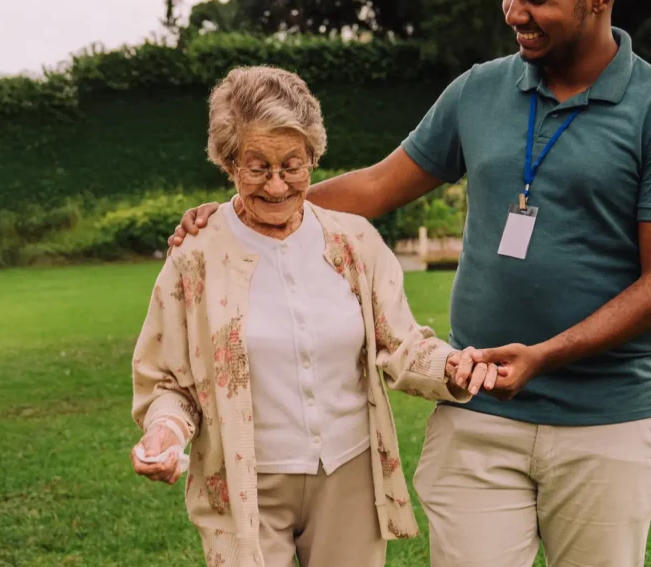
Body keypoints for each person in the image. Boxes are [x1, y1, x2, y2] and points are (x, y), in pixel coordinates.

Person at [170, 0, 651, 567]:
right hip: (478, 408)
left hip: (607, 422)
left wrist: (545, 354)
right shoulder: (479, 92)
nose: (514, 12)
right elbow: (373, 188)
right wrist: (240, 210)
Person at [130, 65, 503, 567]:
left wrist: (451, 367)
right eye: (257, 166)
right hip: (245, 486)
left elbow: (402, 345)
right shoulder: (195, 256)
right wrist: (165, 433)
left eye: (294, 165)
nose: (278, 185)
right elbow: (167, 383)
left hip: (349, 476)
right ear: (228, 162)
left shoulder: (354, 242)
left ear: (313, 157)